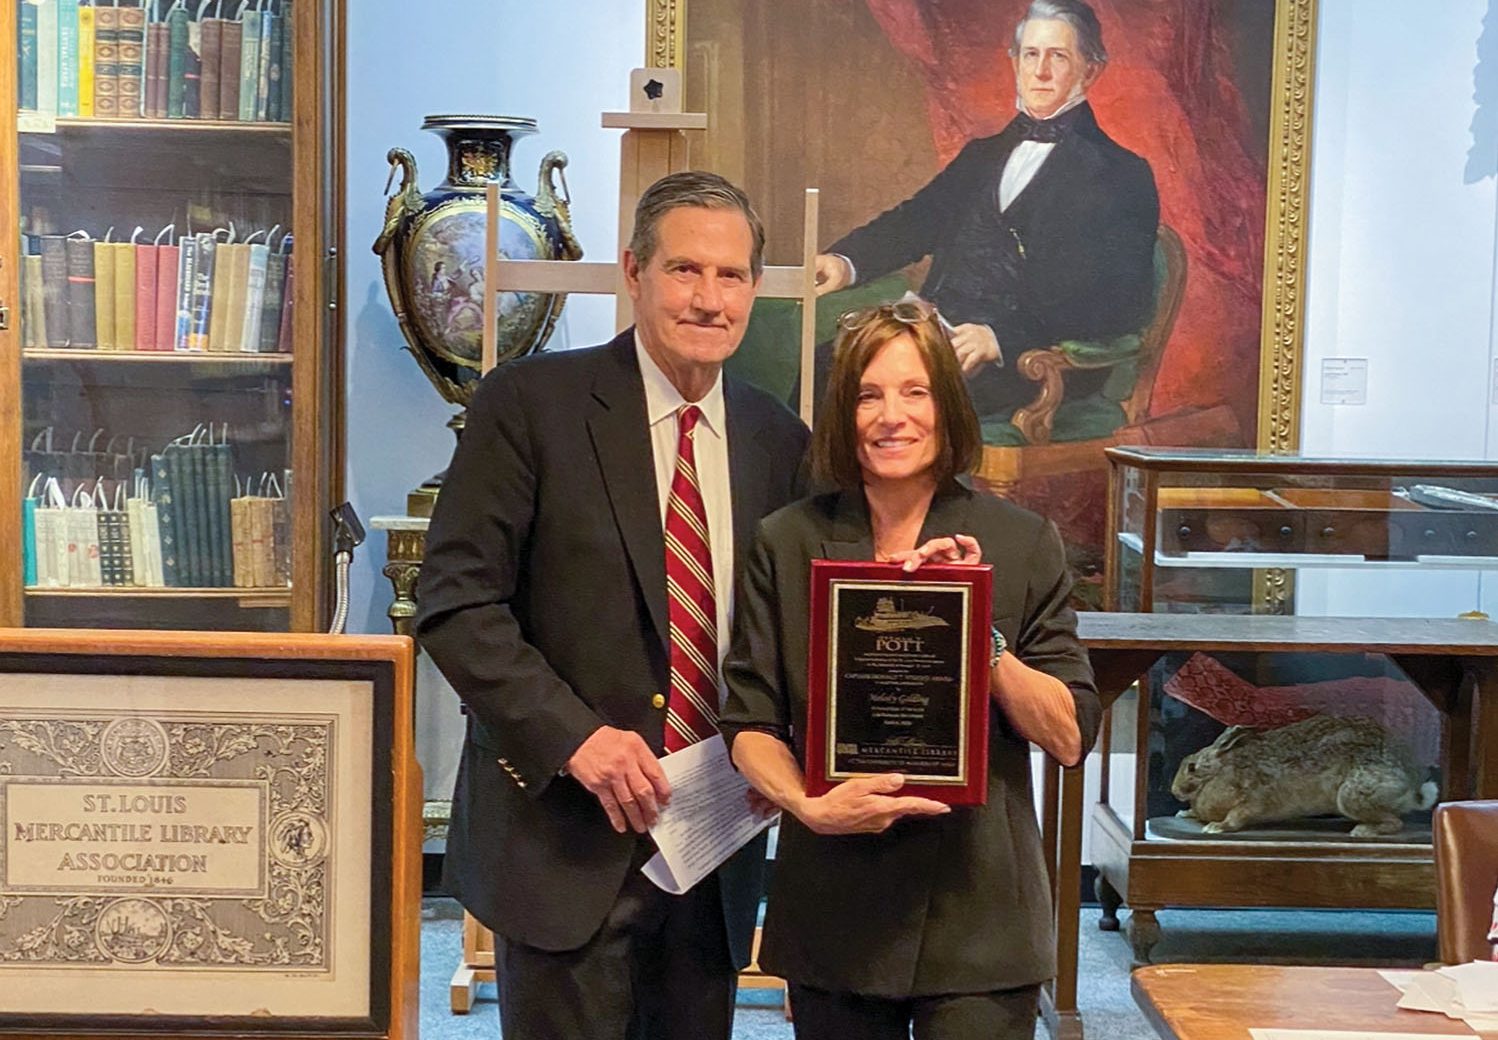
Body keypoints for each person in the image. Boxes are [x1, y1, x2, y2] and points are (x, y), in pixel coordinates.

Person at [415, 171, 810, 1040]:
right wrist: (576, 739)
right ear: (634, 270)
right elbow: (454, 602)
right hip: (561, 837)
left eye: (732, 275)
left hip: (710, 853)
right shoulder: (529, 405)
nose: (709, 299)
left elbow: (796, 625)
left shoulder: (778, 439)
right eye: (685, 270)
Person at [720, 297, 1101, 1039]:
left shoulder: (1019, 542)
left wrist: (971, 626)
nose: (891, 415)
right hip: (835, 901)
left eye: (915, 392)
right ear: (844, 412)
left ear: (948, 407)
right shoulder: (787, 540)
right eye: (869, 394)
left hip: (981, 907)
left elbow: (1067, 734)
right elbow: (749, 720)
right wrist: (806, 803)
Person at [813, 0, 1159, 416]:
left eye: (1058, 56)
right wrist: (845, 261)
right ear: (1015, 62)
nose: (1041, 71)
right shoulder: (981, 156)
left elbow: (1117, 302)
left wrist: (999, 338)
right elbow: (917, 219)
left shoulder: (1121, 173)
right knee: (828, 366)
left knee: (902, 391)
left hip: (1031, 364)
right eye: (1031, 54)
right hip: (941, 335)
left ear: (1090, 69)